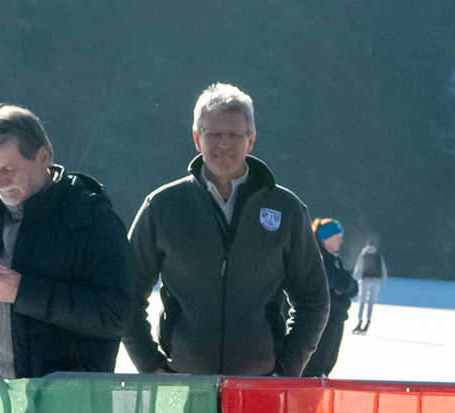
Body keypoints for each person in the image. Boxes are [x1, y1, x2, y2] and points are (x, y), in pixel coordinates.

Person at [122, 83, 328, 379]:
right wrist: (150, 365)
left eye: (234, 135)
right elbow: (126, 293)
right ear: (197, 138)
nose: (223, 144)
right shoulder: (163, 207)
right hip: (181, 385)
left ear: (251, 139)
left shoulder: (286, 209)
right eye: (213, 134)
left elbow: (313, 298)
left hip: (260, 387)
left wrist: (286, 369)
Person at [0, 105, 131, 377]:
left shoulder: (91, 218)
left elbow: (115, 314)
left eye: (9, 169)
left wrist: (22, 292)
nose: (0, 182)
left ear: (43, 156)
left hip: (60, 404)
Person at [306, 218, 358, 376]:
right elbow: (339, 282)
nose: (341, 240)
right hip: (323, 319)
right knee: (316, 365)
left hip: (337, 317)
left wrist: (344, 288)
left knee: (328, 364)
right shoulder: (318, 259)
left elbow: (352, 287)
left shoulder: (335, 260)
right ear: (326, 237)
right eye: (338, 236)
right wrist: (343, 287)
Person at [352, 239, 386, 333]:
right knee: (371, 302)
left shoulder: (363, 254)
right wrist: (382, 278)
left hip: (365, 279)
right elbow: (383, 268)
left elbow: (359, 266)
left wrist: (355, 278)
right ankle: (368, 320)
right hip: (376, 280)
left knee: (362, 301)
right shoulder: (378, 255)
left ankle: (359, 321)